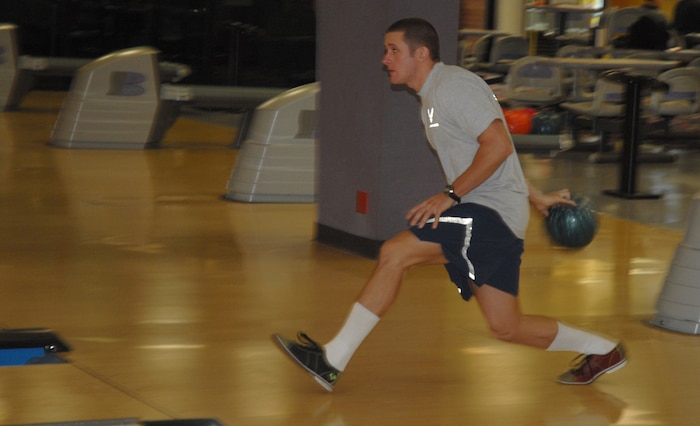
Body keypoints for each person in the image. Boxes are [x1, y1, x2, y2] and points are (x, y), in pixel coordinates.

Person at [272, 17, 626, 392]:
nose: (385, 59)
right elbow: (494, 150)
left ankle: (332, 360)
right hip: (492, 215)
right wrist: (534, 195)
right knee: (506, 326)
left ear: (421, 53)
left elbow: (498, 146)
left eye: (393, 50)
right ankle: (603, 352)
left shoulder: (452, 86)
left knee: (395, 253)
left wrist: (451, 195)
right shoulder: (432, 97)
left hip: (486, 214)